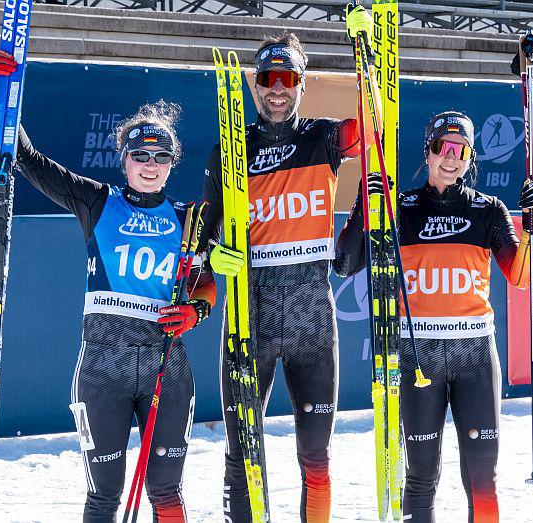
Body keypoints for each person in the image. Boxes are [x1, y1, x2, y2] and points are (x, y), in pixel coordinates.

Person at [0, 52, 217, 522]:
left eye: (161, 156)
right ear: (123, 158)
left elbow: (204, 283)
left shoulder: (191, 219)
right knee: (104, 496)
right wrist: (3, 95)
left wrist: (196, 312)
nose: (150, 164)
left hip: (165, 366)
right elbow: (28, 160)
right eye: (140, 155)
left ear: (172, 163)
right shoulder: (96, 201)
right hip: (102, 367)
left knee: (166, 493)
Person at [198, 10, 373, 522]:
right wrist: (214, 257)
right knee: (241, 455)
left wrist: (365, 57)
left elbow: (376, 131)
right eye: (268, 79)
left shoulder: (322, 138)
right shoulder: (229, 150)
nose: (278, 89)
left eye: (288, 79)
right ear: (255, 85)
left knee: (315, 458)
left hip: (314, 326)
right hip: (248, 324)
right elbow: (203, 238)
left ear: (301, 84)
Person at [335, 110, 533, 522]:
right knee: (421, 476)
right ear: (427, 154)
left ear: (470, 157)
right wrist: (364, 204)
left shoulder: (489, 210)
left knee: (482, 475)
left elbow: (520, 278)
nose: (450, 158)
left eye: (460, 150)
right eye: (441, 148)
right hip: (418, 356)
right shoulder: (399, 207)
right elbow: (345, 264)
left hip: (476, 358)